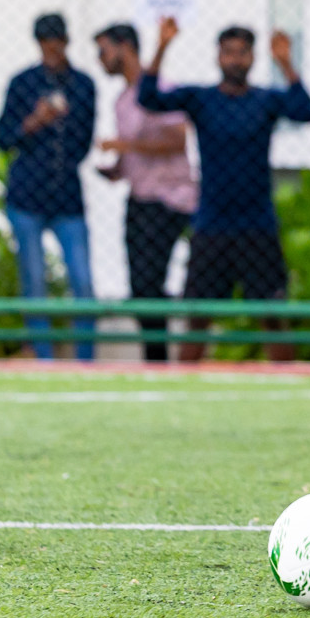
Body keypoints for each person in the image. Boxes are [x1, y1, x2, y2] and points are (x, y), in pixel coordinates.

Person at [139, 20, 310, 363]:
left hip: (257, 225)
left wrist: (285, 62)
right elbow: (148, 97)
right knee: (198, 319)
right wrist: (162, 46)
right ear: (218, 57)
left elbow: (306, 111)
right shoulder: (201, 99)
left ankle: (287, 382)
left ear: (252, 58)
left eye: (242, 53)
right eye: (229, 53)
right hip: (212, 225)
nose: (235, 60)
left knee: (272, 316)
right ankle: (183, 385)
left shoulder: (265, 100)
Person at [0, 13, 97, 362]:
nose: (51, 51)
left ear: (66, 42)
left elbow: (83, 143)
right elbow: (4, 139)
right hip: (28, 197)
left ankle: (85, 360)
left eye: (56, 44)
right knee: (35, 281)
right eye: (45, 45)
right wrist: (35, 122)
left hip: (66, 197)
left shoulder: (83, 85)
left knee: (82, 282)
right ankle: (44, 359)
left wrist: (63, 128)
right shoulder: (22, 83)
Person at [94, 23, 198, 363]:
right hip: (139, 199)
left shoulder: (163, 90)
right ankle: (155, 359)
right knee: (141, 288)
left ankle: (167, 357)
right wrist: (115, 169)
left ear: (125, 47)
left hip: (170, 199)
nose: (100, 59)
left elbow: (177, 140)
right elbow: (131, 157)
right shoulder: (121, 102)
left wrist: (126, 146)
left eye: (104, 50)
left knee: (154, 281)